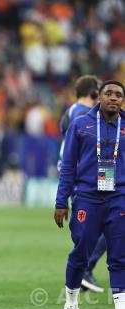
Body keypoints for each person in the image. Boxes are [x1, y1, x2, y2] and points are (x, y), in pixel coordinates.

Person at [55, 80, 124, 309]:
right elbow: (68, 167)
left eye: (118, 95)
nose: (113, 98)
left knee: (119, 255)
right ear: (99, 97)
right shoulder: (81, 124)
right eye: (109, 93)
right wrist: (61, 201)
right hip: (87, 197)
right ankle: (71, 306)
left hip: (119, 198)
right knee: (81, 252)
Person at [59, 75, 106, 293]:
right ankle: (85, 269)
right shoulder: (82, 115)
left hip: (86, 178)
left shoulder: (72, 112)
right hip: (87, 179)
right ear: (95, 92)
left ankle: (83, 269)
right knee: (108, 224)